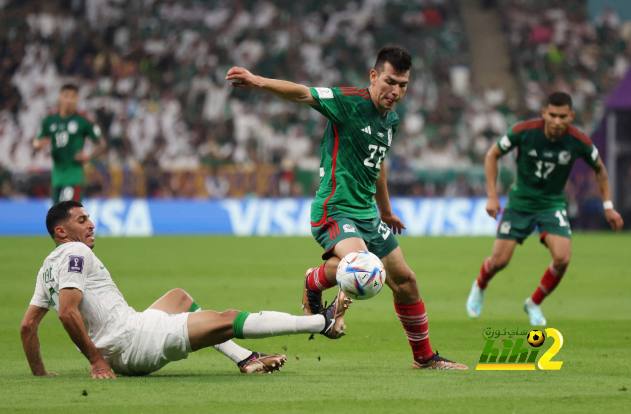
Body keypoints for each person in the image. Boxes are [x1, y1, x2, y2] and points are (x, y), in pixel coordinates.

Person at [226, 46, 467, 370]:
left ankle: (424, 358)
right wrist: (258, 82)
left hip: (367, 213)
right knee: (361, 265)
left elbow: (377, 165)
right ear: (373, 76)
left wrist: (384, 210)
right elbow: (302, 94)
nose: (396, 91)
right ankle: (325, 302)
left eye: (403, 85)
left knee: (406, 281)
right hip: (335, 209)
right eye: (390, 81)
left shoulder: (390, 121)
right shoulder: (349, 101)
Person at [20, 201, 349, 378]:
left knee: (179, 297)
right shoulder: (76, 253)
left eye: (89, 217)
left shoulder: (47, 267)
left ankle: (244, 359)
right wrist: (96, 362)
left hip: (120, 344)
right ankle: (322, 322)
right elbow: (67, 312)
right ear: (62, 232)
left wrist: (40, 373)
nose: (90, 223)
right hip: (132, 341)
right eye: (81, 220)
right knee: (226, 318)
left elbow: (27, 326)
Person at [466, 92, 624, 325]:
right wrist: (492, 196)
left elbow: (600, 169)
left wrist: (608, 207)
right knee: (499, 261)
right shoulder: (524, 131)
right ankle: (479, 286)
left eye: (563, 116)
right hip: (520, 203)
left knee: (562, 258)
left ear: (571, 116)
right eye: (553, 115)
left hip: (552, 204)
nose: (558, 121)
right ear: (544, 114)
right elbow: (492, 154)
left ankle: (534, 303)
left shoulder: (578, 141)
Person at [32, 84, 107, 204]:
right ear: (59, 97)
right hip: (57, 177)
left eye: (73, 97)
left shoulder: (83, 120)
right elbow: (36, 142)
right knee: (56, 218)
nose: (69, 100)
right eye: (66, 96)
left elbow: (102, 144)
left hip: (74, 176)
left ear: (77, 99)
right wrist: (38, 145)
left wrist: (89, 156)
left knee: (69, 214)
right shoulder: (49, 120)